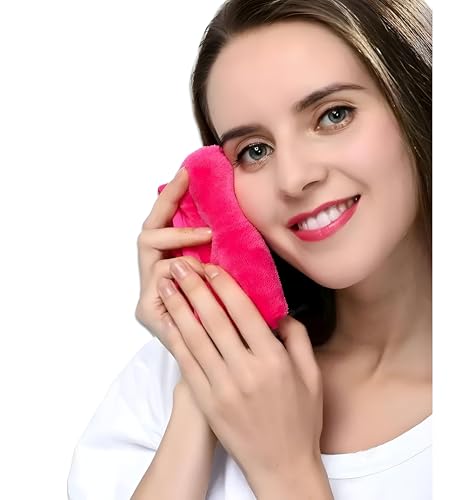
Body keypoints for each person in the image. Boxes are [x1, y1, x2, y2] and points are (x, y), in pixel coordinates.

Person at [67, 0, 432, 498]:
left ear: (417, 102)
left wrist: (285, 471)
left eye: (334, 115)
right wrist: (202, 376)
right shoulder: (173, 373)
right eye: (254, 151)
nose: (295, 178)